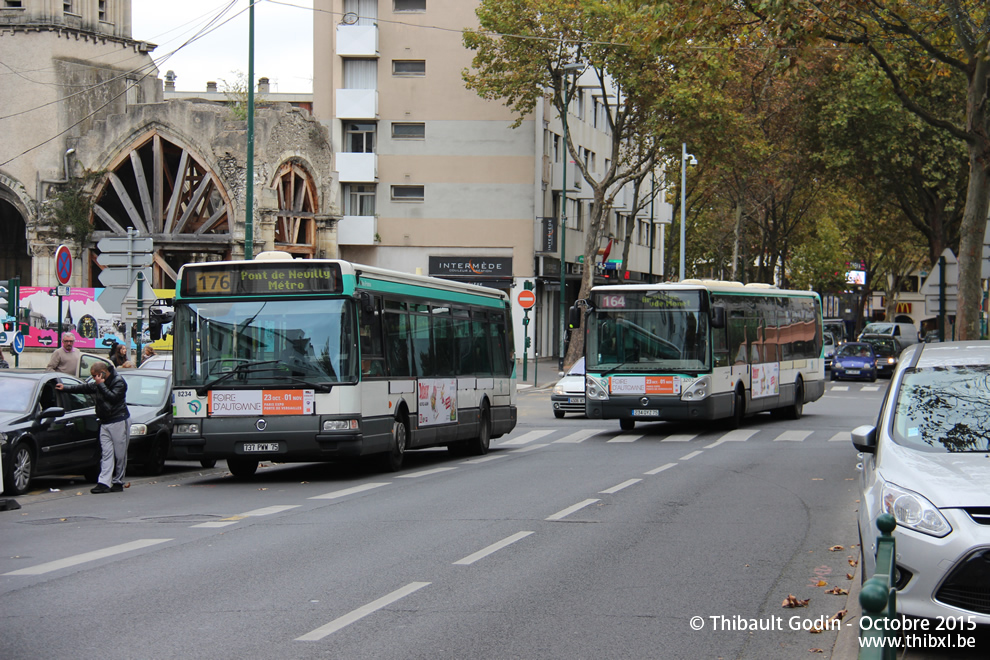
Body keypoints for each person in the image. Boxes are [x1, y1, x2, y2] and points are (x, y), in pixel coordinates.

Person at [56, 362, 130, 494]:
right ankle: (104, 482)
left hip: (118, 419)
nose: (94, 378)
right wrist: (65, 388)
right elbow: (84, 387)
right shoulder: (97, 383)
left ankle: (118, 481)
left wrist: (100, 384)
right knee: (106, 453)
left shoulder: (118, 382)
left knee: (120, 454)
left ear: (102, 373)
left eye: (95, 375)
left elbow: (113, 398)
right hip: (105, 421)